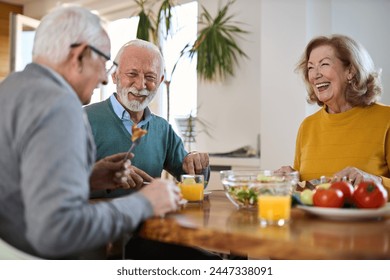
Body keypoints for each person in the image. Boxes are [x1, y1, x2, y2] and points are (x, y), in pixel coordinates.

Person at [0, 5, 181, 259]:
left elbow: (20, 189)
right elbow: (58, 230)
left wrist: (88, 178)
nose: (106, 79)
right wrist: (144, 203)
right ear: (81, 55)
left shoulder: (11, 88)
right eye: (105, 62)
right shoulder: (61, 106)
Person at [84, 39, 210, 196]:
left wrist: (197, 164)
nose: (140, 85)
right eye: (132, 74)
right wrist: (103, 176)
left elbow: (193, 179)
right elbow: (57, 182)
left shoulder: (162, 129)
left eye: (150, 77)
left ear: (160, 81)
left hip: (151, 218)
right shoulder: (82, 119)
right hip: (97, 219)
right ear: (115, 76)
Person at [277, 34, 390, 197]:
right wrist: (290, 179)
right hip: (313, 222)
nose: (315, 75)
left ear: (350, 71)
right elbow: (306, 191)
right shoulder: (307, 126)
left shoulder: (386, 119)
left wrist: (375, 181)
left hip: (368, 222)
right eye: (310, 67)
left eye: (324, 64)